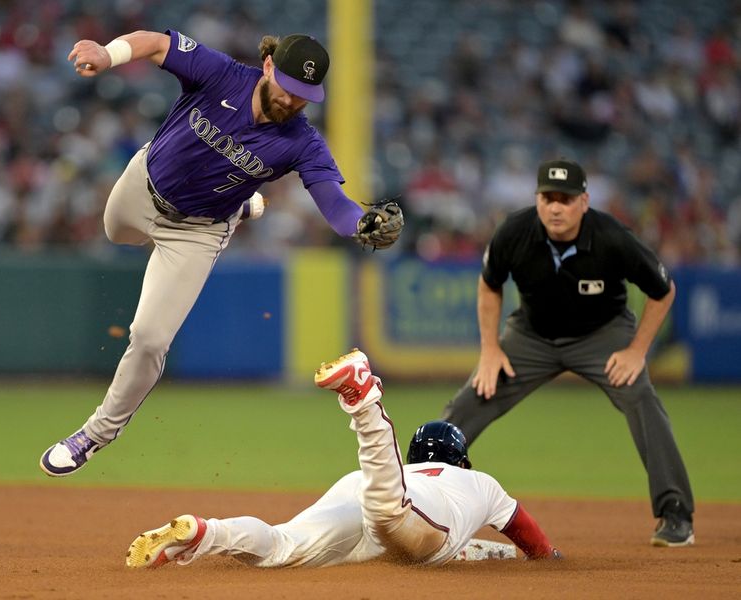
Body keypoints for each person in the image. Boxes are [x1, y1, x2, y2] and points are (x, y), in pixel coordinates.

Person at [39, 30, 403, 476]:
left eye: (305, 96)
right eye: (289, 89)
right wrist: (107, 55)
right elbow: (155, 43)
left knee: (150, 338)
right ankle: (245, 202)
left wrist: (360, 225)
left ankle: (96, 433)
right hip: (143, 186)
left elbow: (334, 203)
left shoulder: (302, 141)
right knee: (115, 234)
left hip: (197, 232)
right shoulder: (223, 75)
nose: (293, 102)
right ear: (268, 67)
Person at [441, 158, 694, 547]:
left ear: (584, 202)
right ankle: (415, 497)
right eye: (548, 198)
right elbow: (489, 284)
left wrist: (637, 350)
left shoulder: (611, 237)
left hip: (603, 335)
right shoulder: (515, 231)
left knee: (641, 397)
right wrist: (490, 349)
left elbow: (663, 290)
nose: (556, 207)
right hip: (531, 336)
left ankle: (675, 512)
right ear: (537, 200)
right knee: (475, 396)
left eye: (566, 198)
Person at [125, 349, 561, 569]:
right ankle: (364, 399)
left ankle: (205, 533)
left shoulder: (410, 470)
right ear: (461, 460)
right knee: (391, 511)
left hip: (363, 490)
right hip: (405, 506)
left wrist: (503, 557)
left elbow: (476, 548)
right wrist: (546, 558)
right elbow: (532, 540)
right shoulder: (479, 482)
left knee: (280, 545)